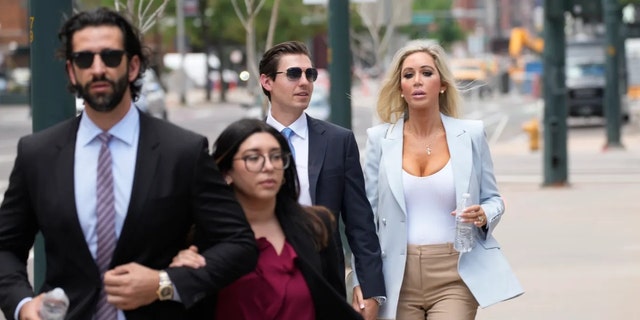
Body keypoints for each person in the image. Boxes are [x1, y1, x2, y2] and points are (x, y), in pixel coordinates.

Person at [0, 8, 257, 320]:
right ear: (71, 72)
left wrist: (164, 283)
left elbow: (239, 243)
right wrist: (22, 306)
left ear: (133, 66)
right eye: (84, 59)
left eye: (110, 57)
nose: (97, 69)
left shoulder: (183, 151)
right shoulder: (37, 154)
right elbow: (5, 248)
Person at [356, 40, 524, 319]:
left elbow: (493, 198)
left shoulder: (470, 135)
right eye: (408, 75)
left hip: (455, 272)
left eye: (426, 73)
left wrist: (484, 214)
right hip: (397, 274)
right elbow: (367, 219)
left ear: (442, 83)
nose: (417, 81)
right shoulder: (379, 141)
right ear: (400, 88)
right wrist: (360, 279)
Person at [170, 118, 363, 320]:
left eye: (276, 156)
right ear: (226, 172)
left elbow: (333, 304)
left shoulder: (314, 226)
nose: (268, 166)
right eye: (253, 158)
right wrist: (181, 277)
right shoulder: (199, 237)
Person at [258, 40, 386, 319]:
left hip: (322, 281)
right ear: (266, 81)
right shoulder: (247, 142)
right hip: (259, 279)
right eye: (293, 74)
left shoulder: (338, 142)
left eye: (310, 74)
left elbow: (360, 223)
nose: (304, 82)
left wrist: (370, 286)